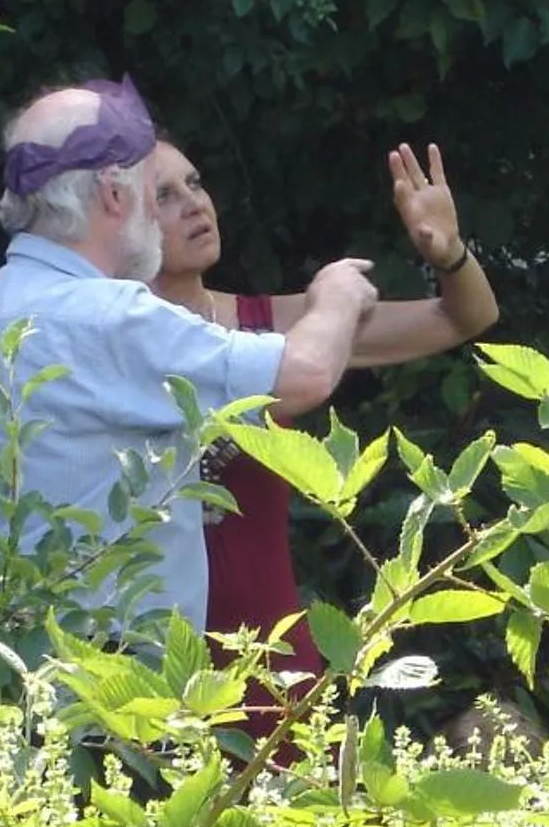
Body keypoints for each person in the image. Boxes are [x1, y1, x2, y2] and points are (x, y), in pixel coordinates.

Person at [0, 77, 377, 634]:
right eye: (153, 189)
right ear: (114, 195)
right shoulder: (114, 317)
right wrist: (334, 296)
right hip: (109, 698)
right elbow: (304, 375)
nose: (157, 208)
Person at [145, 136, 497, 706]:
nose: (193, 203)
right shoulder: (95, 343)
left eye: (195, 183)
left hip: (273, 655)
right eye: (163, 195)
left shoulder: (277, 326)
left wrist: (449, 252)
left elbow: (467, 317)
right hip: (150, 664)